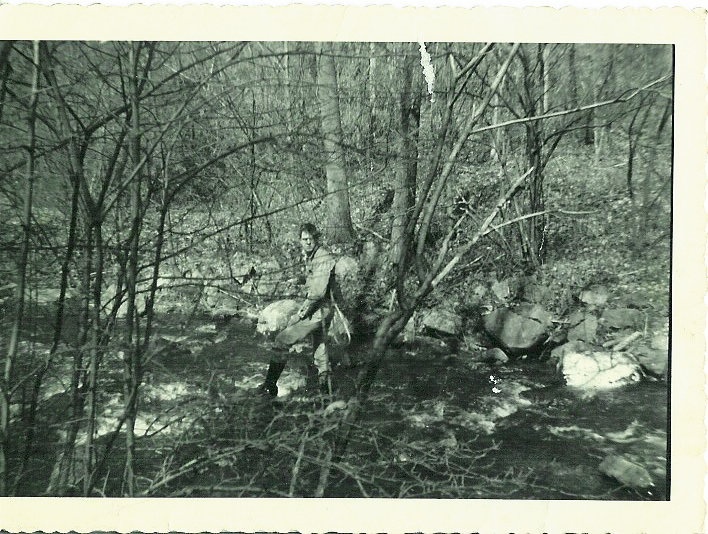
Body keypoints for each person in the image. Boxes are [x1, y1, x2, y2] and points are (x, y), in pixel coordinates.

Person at [257, 223, 338, 397]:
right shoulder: (313, 256)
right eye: (304, 239)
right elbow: (315, 281)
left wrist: (300, 315)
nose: (308, 242)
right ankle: (326, 392)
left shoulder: (322, 257)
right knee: (320, 347)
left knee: (282, 341)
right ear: (300, 241)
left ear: (317, 238)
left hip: (319, 310)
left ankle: (269, 387)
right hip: (321, 309)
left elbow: (317, 293)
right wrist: (299, 280)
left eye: (311, 239)